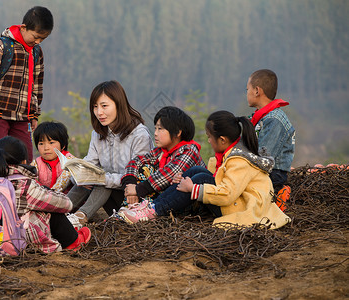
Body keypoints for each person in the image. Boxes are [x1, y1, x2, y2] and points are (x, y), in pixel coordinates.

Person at [119, 111, 290, 230]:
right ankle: (151, 207)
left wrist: (193, 189)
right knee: (198, 171)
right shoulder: (228, 155)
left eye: (209, 137)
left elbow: (227, 194)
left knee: (199, 179)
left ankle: (154, 211)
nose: (207, 141)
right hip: (234, 202)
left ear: (222, 140)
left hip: (242, 208)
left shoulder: (239, 160)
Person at [67, 80, 153, 227]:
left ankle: (80, 217)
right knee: (89, 179)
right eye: (95, 107)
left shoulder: (139, 135)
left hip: (133, 198)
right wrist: (78, 175)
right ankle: (56, 211)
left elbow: (139, 178)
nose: (99, 112)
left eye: (104, 106)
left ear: (119, 104)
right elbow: (89, 163)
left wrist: (101, 178)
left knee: (103, 180)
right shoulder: (98, 133)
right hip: (109, 198)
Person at [0, 136, 90, 252]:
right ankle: (73, 241)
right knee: (51, 205)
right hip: (20, 241)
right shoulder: (23, 185)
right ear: (24, 161)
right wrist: (48, 191)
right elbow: (66, 205)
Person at [0, 6, 54, 161]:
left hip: (22, 116)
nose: (38, 41)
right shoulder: (1, 46)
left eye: (42, 39)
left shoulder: (36, 52)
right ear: (24, 27)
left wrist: (34, 113)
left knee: (25, 157)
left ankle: (24, 185)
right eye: (36, 36)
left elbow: (36, 85)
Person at [120, 106, 206, 206]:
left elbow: (168, 174)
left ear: (177, 132)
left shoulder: (189, 150)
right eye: (155, 128)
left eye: (160, 129)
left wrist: (137, 189)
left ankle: (142, 210)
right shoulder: (160, 151)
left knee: (149, 171)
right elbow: (136, 161)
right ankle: (134, 208)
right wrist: (130, 186)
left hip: (188, 204)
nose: (155, 133)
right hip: (165, 199)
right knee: (145, 167)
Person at [246, 69, 295, 208]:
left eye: (247, 89)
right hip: (263, 168)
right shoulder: (261, 117)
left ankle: (279, 194)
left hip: (274, 173)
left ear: (256, 91)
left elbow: (264, 156)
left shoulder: (274, 120)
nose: (247, 93)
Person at [30, 121, 74, 193]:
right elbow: (31, 181)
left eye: (51, 143)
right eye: (41, 143)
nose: (46, 148)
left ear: (63, 145)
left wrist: (50, 195)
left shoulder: (69, 160)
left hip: (68, 200)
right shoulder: (36, 163)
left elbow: (61, 184)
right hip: (43, 199)